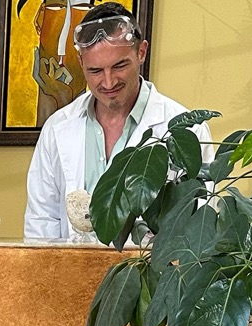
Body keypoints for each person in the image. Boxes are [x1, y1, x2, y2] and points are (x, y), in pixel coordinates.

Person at [23, 2, 213, 239]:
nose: (109, 82)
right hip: (68, 263)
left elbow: (198, 225)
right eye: (95, 71)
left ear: (141, 52)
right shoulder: (56, 128)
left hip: (149, 264)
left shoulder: (190, 131)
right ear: (81, 63)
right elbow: (41, 222)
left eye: (120, 66)